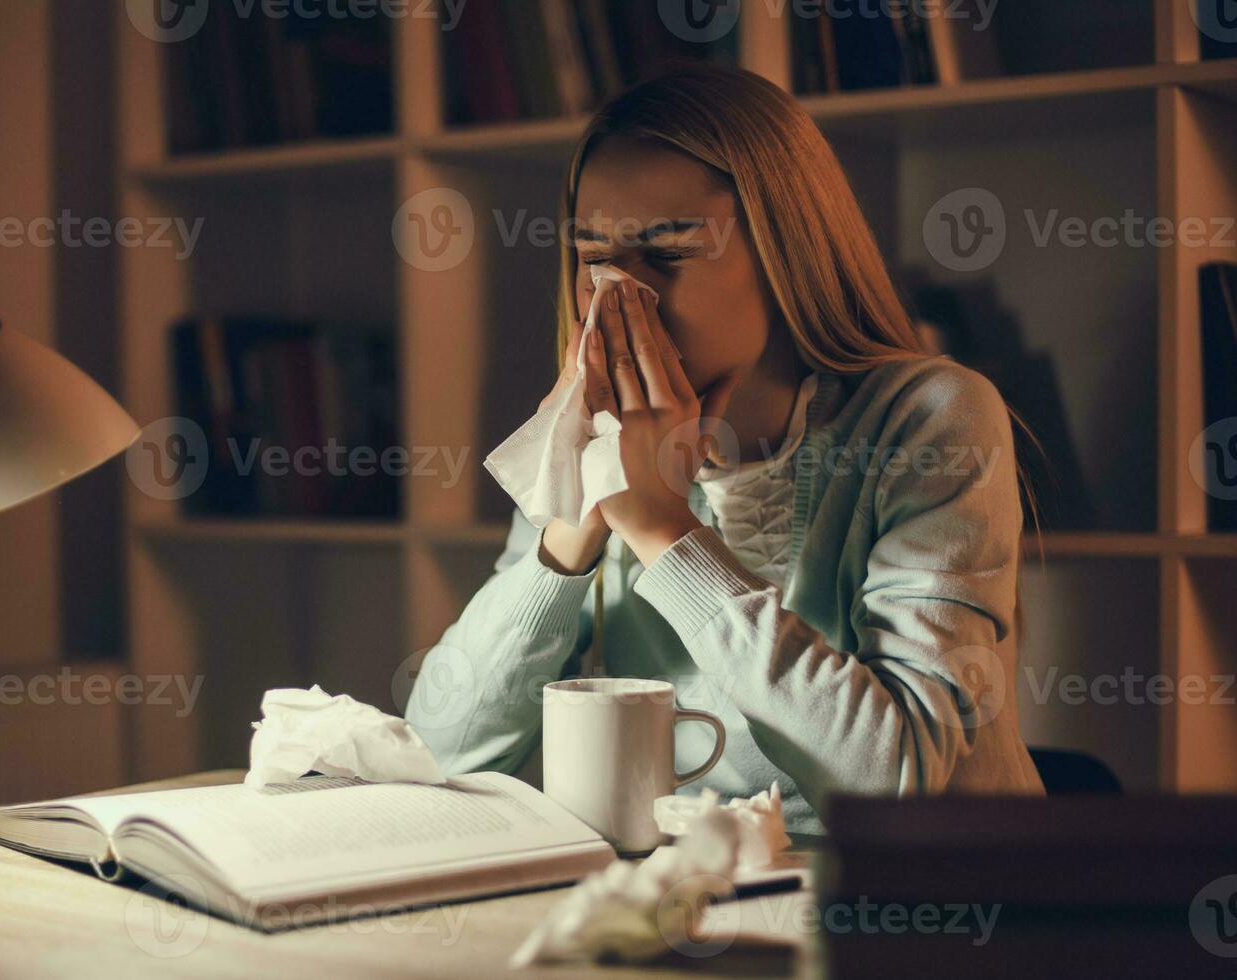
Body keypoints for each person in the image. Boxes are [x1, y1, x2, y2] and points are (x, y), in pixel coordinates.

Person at [404, 65, 1044, 833]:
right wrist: (567, 539)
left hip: (924, 909)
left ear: (786, 258)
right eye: (592, 255)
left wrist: (663, 530)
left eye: (668, 256)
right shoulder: (590, 432)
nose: (616, 296)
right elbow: (439, 756)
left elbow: (892, 777)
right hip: (693, 905)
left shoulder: (931, 416)